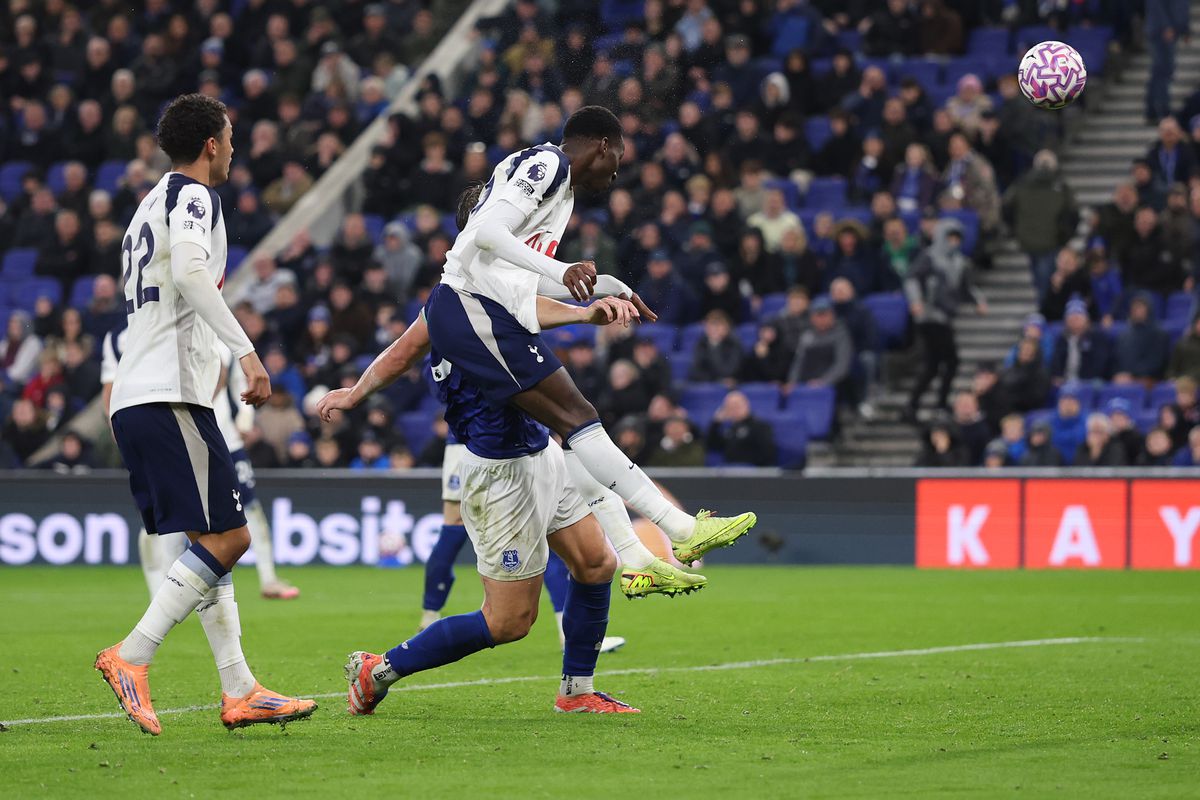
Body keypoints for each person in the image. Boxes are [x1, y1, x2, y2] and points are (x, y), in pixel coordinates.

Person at [417, 106, 757, 559]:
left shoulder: (562, 193)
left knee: (574, 426)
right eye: (619, 156)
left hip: (483, 305)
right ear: (602, 145)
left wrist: (611, 285)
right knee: (578, 419)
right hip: (471, 306)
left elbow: (519, 274)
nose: (617, 172)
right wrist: (564, 269)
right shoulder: (548, 164)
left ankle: (639, 556)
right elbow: (488, 234)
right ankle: (678, 531)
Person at [325, 294, 685, 715]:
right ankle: (379, 670)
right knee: (509, 622)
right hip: (501, 476)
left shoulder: (459, 299)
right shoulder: (463, 305)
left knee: (596, 564)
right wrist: (583, 313)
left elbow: (404, 351)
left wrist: (355, 393)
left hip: (541, 452)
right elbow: (520, 311)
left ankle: (577, 692)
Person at [93, 94, 316, 736]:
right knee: (230, 539)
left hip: (141, 394)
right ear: (212, 145)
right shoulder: (194, 195)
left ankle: (239, 689)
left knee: (208, 540)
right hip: (169, 393)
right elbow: (192, 273)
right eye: (231, 138)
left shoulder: (147, 205)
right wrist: (246, 352)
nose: (234, 149)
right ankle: (132, 655)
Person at [903, 219, 987, 419]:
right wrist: (916, 301)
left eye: (957, 239)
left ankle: (914, 405)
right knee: (951, 361)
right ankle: (938, 403)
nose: (954, 243)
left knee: (934, 365)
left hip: (945, 317)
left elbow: (966, 287)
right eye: (950, 238)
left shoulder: (960, 262)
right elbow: (912, 278)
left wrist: (978, 301)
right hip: (930, 316)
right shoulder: (929, 257)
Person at [1003, 150, 1078, 305]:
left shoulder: (1022, 183)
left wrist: (1015, 230)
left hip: (1029, 239)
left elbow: (1006, 206)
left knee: (1040, 274)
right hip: (1052, 239)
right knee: (1046, 276)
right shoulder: (1061, 186)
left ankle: (1045, 305)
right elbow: (1073, 212)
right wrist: (1066, 235)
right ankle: (1046, 307)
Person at [706, 390, 778, 467]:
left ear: (746, 404)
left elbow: (768, 453)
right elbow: (712, 445)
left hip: (753, 470)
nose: (734, 410)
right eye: (729, 407)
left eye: (737, 405)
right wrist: (716, 423)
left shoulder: (760, 426)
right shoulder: (729, 429)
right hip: (730, 470)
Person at [1050, 300, 1112, 384]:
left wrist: (1083, 382)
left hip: (1089, 382)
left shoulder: (1097, 337)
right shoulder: (1062, 339)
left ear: (1086, 320)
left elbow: (1100, 363)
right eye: (1071, 318)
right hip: (1065, 383)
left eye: (1078, 318)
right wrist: (1057, 376)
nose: (1075, 321)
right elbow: (1056, 362)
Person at [1113, 293, 1170, 384]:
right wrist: (1118, 374)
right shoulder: (1123, 336)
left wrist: (1133, 375)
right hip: (1124, 379)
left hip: (1149, 380)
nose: (1136, 310)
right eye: (1134, 308)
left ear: (1148, 310)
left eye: (1140, 307)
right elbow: (1117, 360)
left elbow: (1156, 362)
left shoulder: (1158, 334)